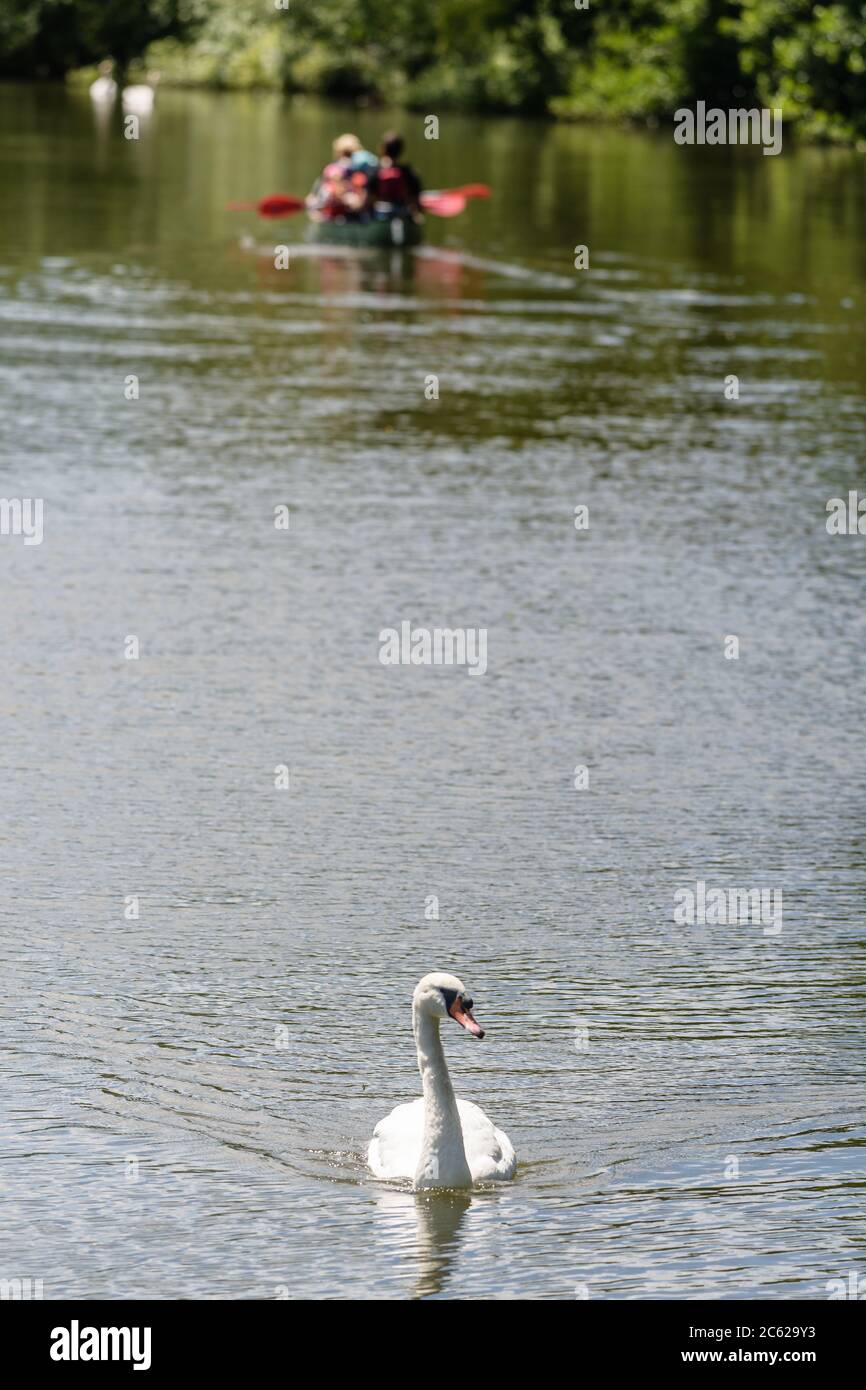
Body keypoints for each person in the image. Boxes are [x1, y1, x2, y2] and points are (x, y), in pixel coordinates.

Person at [306, 133, 377, 222]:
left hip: (338, 212)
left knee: (314, 203)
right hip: (351, 210)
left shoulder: (331, 169)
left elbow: (313, 196)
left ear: (338, 152)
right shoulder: (361, 171)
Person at [372, 132, 422, 219]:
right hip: (403, 212)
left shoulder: (376, 171)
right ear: (401, 150)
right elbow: (416, 200)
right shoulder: (409, 172)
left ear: (383, 149)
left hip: (381, 215)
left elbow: (368, 200)